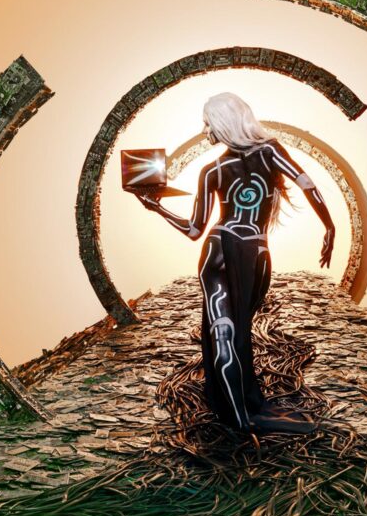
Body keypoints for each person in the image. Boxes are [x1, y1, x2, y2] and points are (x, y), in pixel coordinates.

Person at [135, 92, 335, 433]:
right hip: (246, 253)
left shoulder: (217, 168)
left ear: (224, 120)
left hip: (231, 252)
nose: (205, 129)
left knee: (233, 333)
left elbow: (194, 229)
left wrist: (157, 208)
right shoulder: (265, 152)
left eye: (208, 121)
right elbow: (308, 185)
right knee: (229, 333)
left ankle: (244, 408)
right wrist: (329, 226)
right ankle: (242, 417)